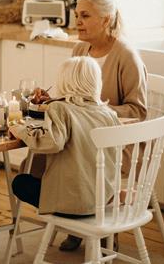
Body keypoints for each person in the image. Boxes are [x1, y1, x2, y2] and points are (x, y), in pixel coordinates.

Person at [59, 0, 147, 251]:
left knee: (71, 160)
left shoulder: (126, 56)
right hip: (85, 140)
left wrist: (97, 109)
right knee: (49, 158)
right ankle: (75, 217)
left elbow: (138, 111)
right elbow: (73, 96)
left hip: (116, 146)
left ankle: (94, 223)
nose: (78, 22)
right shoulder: (79, 51)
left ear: (106, 19)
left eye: (85, 16)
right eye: (77, 15)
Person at [10, 56, 120, 220]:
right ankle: (89, 224)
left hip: (75, 203)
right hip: (103, 198)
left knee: (20, 183)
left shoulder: (60, 108)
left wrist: (19, 129)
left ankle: (72, 220)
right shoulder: (108, 113)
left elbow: (51, 143)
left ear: (64, 82)